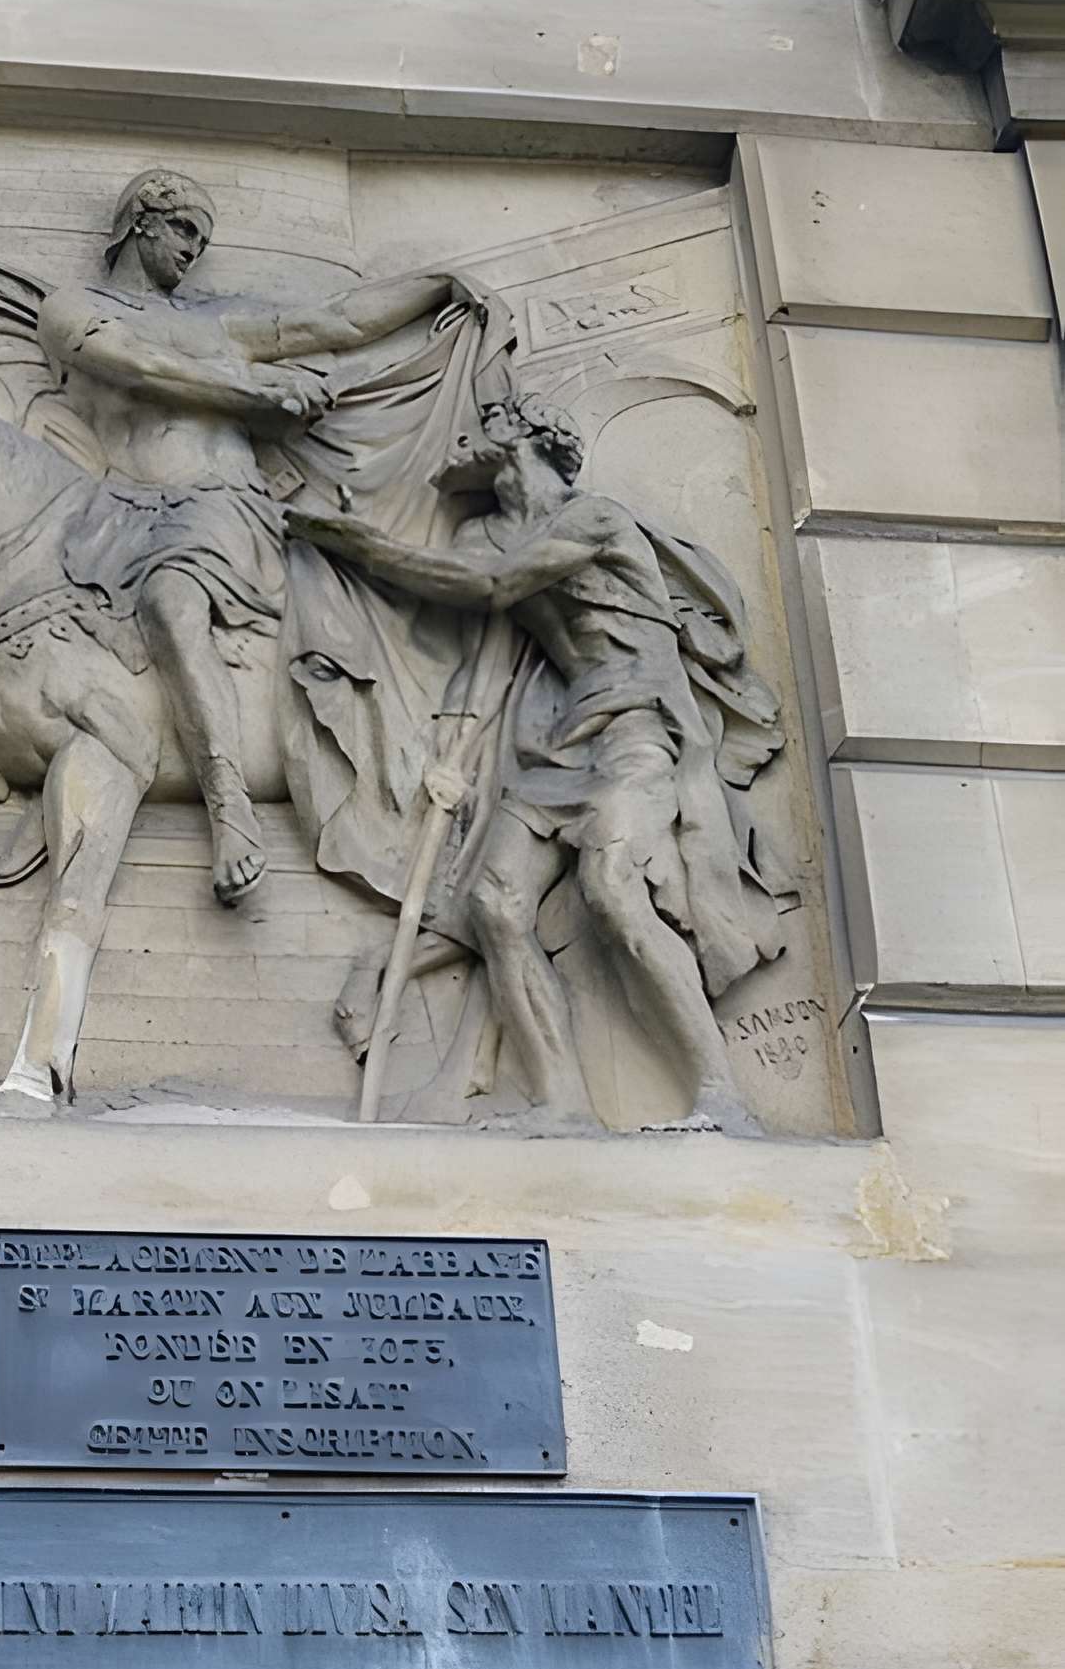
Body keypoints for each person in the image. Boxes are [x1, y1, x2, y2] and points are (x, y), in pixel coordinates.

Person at [286, 388, 785, 1125]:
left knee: (614, 891)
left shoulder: (593, 518)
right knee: (494, 904)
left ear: (519, 436)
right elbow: (487, 650)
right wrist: (452, 753)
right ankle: (560, 1099)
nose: (460, 438)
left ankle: (722, 1095)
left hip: (636, 734)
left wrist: (358, 545)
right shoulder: (486, 535)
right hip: (553, 750)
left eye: (479, 426)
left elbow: (494, 590)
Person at [40, 167, 478, 905]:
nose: (193, 252)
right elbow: (140, 369)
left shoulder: (217, 321)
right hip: (123, 511)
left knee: (172, 600)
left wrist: (437, 284)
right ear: (140, 220)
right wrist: (254, 391)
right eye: (183, 230)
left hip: (225, 507)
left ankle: (230, 806)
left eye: (203, 241)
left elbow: (333, 324)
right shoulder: (74, 306)